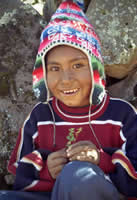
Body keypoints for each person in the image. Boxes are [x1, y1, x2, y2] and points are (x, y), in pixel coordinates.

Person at [0, 0, 137, 199]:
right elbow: (20, 179)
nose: (66, 79)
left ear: (95, 68)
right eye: (55, 68)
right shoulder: (40, 117)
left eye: (77, 65)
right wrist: (47, 170)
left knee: (77, 176)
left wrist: (101, 160)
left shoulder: (122, 115)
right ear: (43, 74)